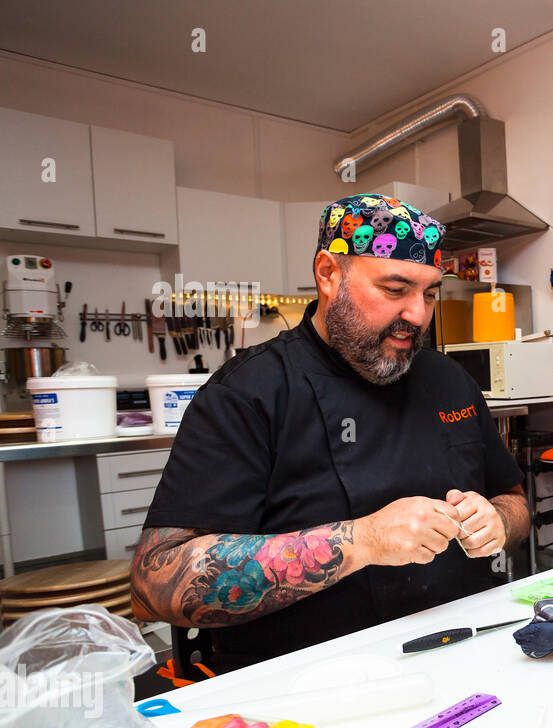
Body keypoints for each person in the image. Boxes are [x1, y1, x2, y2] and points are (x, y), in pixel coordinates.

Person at [130, 194, 530, 671]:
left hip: (462, 652)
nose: (419, 314)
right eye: (396, 288)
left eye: (428, 293)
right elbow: (155, 586)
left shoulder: (449, 381)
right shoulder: (249, 394)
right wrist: (363, 540)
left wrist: (499, 522)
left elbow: (515, 500)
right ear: (328, 274)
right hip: (308, 684)